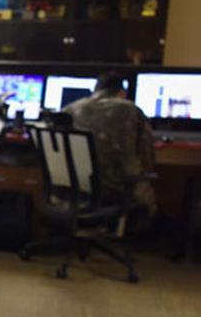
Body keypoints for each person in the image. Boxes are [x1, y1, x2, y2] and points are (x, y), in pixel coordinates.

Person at [63, 71, 157, 223]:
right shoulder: (131, 110)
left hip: (75, 189)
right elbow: (148, 157)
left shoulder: (70, 109)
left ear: (95, 91)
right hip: (116, 189)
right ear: (122, 92)